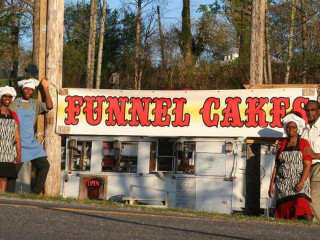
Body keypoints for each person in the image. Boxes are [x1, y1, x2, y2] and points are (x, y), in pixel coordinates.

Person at [7, 77, 53, 194]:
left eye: (31, 90)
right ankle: (9, 195)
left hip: (31, 143)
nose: (28, 92)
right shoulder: (15, 102)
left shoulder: (35, 104)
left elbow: (49, 106)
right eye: (26, 89)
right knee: (12, 172)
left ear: (33, 91)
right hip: (17, 143)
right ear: (22, 90)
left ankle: (35, 193)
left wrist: (45, 88)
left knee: (44, 165)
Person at [269, 113, 313, 221]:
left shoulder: (303, 143)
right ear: (285, 129)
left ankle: (311, 231)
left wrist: (302, 182)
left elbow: (307, 165)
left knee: (302, 206)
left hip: (298, 182)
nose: (291, 129)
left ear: (298, 129)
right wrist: (271, 185)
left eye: (293, 127)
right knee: (286, 213)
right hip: (283, 184)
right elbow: (276, 166)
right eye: (288, 127)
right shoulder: (282, 144)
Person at [301, 100, 320, 222]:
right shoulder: (305, 129)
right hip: (306, 168)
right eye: (307, 110)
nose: (309, 112)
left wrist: (315, 155)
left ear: (319, 111)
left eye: (312, 109)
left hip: (318, 166)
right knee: (305, 197)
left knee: (314, 197)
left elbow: (313, 154)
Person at [0, 86, 21, 192]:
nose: (7, 98)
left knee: (4, 177)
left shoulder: (14, 115)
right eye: (4, 96)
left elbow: (17, 136)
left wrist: (19, 154)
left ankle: (2, 199)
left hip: (8, 151)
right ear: (1, 98)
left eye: (9, 96)